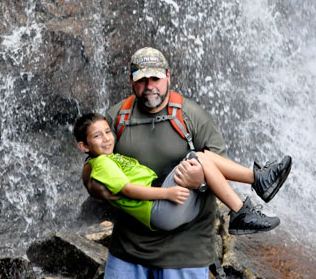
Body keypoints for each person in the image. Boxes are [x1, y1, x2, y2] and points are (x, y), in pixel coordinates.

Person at [81, 47, 292, 279]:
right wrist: (90, 182)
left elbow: (219, 166)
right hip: (129, 252)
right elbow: (93, 160)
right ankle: (255, 187)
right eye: (141, 80)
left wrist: (201, 182)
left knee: (202, 159)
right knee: (200, 159)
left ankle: (252, 191)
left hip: (184, 253)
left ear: (168, 77)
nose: (149, 86)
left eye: (155, 78)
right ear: (131, 81)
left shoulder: (190, 115)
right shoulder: (116, 117)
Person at [75, 112, 290, 234]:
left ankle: (257, 183)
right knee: (197, 158)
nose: (106, 138)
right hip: (161, 209)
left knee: (203, 157)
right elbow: (129, 190)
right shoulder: (101, 163)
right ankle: (245, 203)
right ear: (84, 147)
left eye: (107, 132)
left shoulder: (109, 158)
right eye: (97, 136)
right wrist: (166, 195)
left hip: (172, 213)